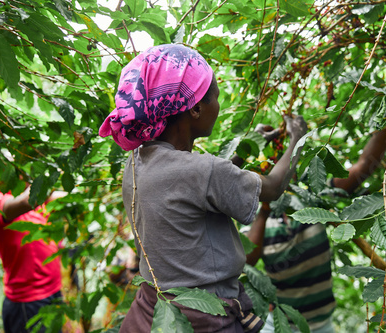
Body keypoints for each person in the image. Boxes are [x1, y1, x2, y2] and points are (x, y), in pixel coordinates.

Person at [98, 44, 308, 332]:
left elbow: (197, 187)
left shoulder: (135, 163)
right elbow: (270, 188)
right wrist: (298, 138)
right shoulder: (203, 172)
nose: (218, 106)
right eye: (216, 98)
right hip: (205, 317)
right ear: (196, 108)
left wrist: (244, 152)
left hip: (153, 312)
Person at [245, 125, 386, 333]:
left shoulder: (313, 196)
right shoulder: (254, 214)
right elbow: (247, 257)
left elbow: (363, 167)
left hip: (321, 324)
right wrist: (267, 205)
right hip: (279, 324)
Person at [0, 185, 65, 333]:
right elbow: (25, 201)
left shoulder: (40, 201)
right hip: (27, 302)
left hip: (52, 291)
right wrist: (44, 177)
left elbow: (68, 198)